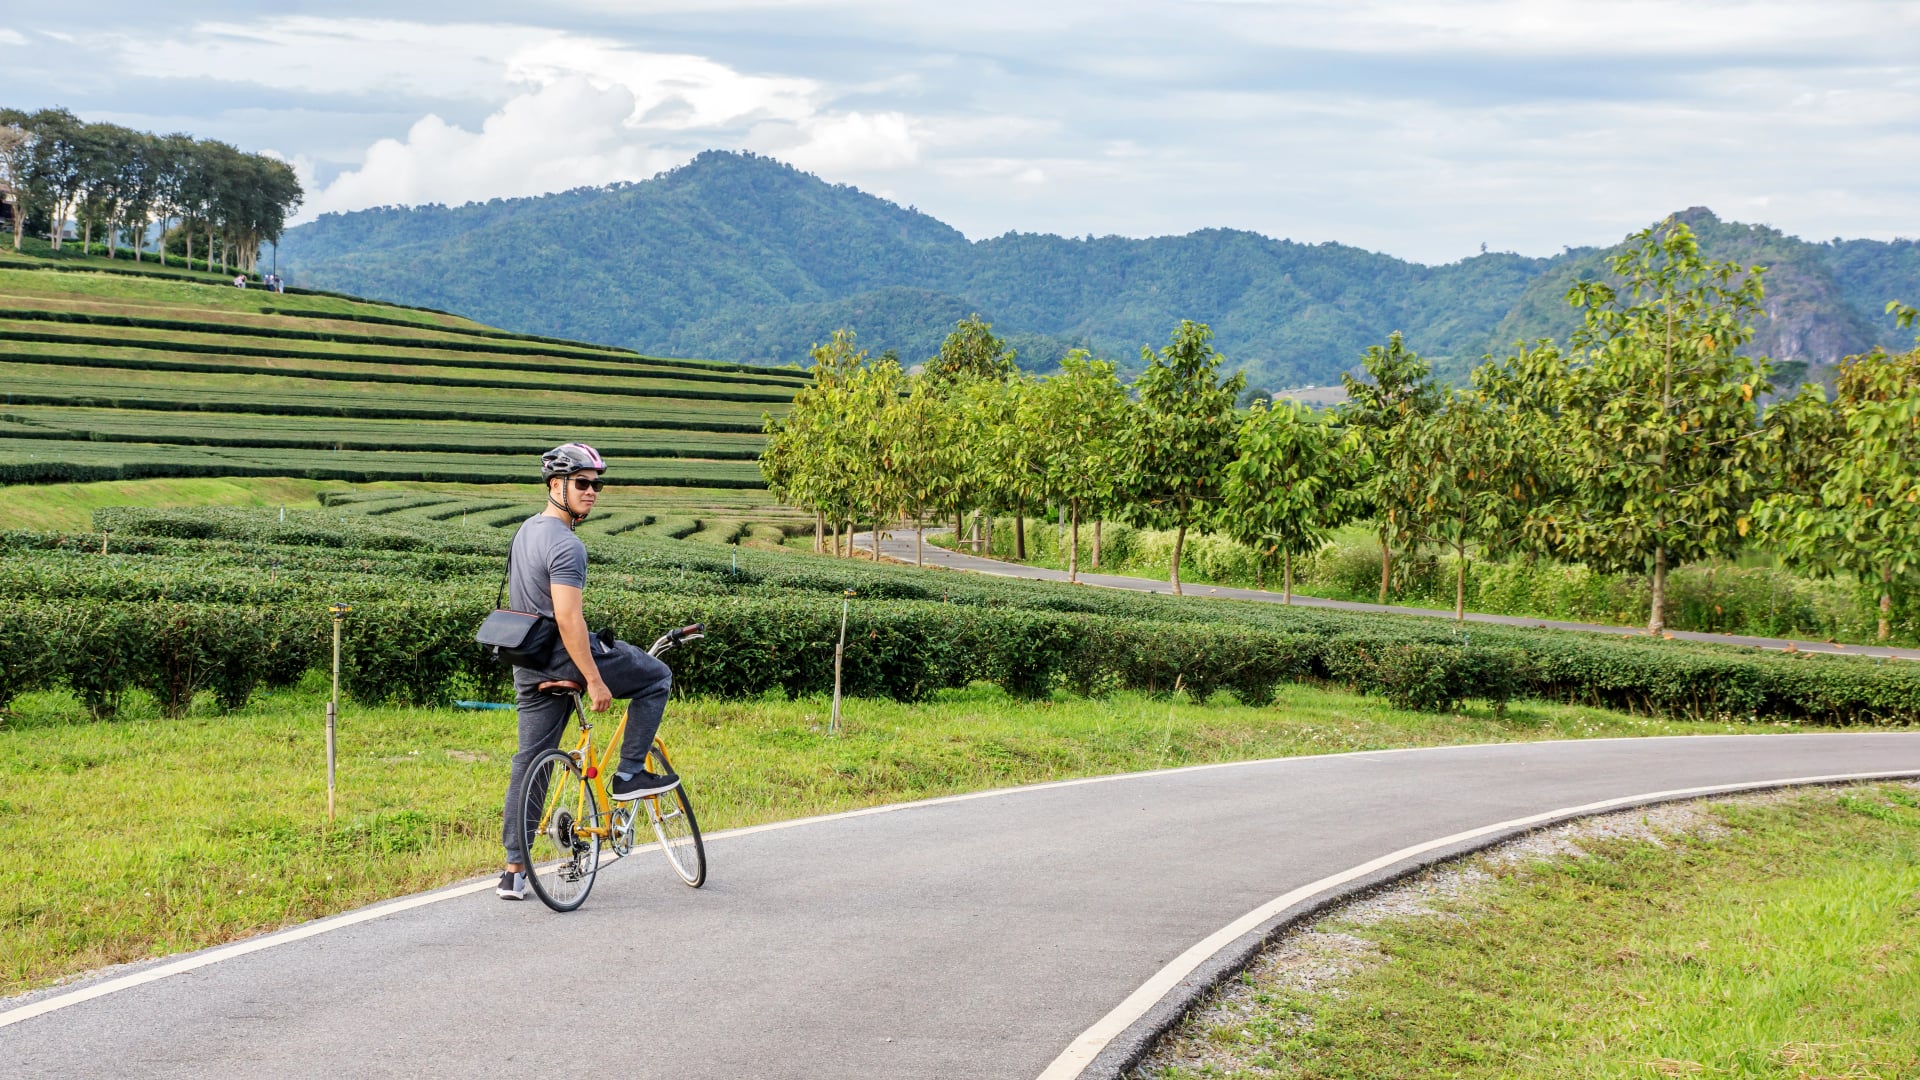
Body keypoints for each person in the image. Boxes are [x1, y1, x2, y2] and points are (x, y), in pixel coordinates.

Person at [496, 442, 678, 901]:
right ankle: (630, 775)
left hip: (527, 660)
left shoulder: (525, 531)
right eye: (582, 483)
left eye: (597, 484)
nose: (592, 491)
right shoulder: (566, 544)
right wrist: (594, 678)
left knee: (529, 761)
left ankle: (514, 871)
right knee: (656, 676)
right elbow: (569, 619)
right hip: (563, 655)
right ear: (556, 485)